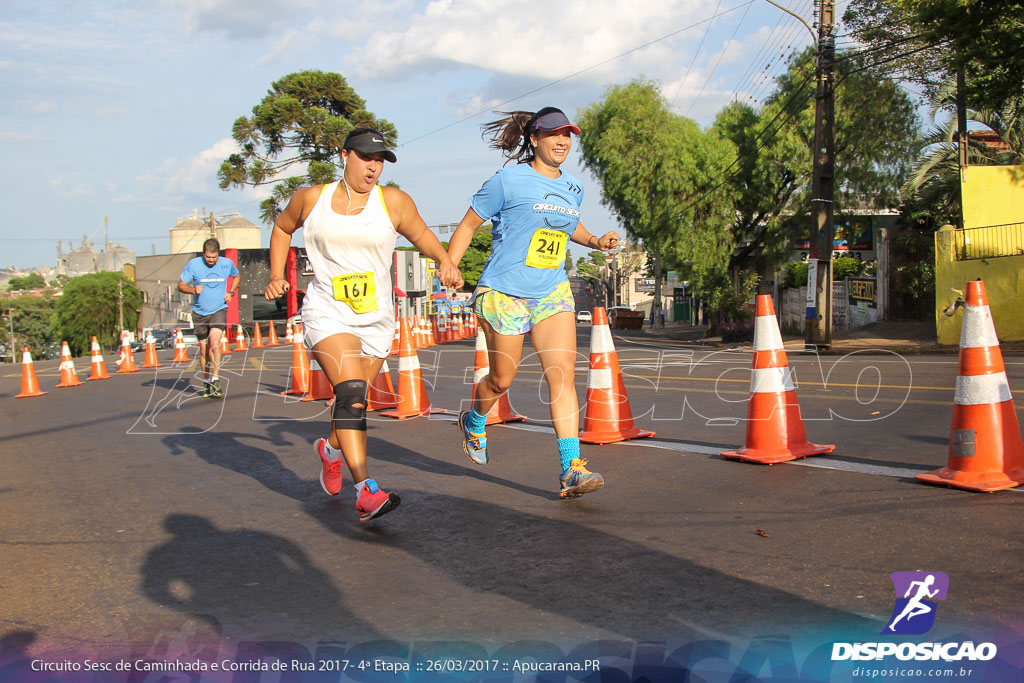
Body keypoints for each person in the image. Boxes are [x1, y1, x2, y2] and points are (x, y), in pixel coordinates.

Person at [265, 127, 463, 522]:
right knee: (352, 393)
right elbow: (283, 228)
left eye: (379, 161)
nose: (373, 167)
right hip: (327, 310)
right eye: (366, 158)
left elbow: (421, 233)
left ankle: (331, 451)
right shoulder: (311, 200)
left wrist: (445, 261)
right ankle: (366, 491)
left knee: (352, 402)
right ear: (344, 156)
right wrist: (276, 274)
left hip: (376, 318)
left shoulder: (393, 202)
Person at [442, 107, 619, 498]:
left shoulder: (574, 187)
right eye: (554, 134)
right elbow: (469, 224)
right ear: (534, 139)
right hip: (504, 292)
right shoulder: (508, 180)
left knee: (563, 376)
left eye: (568, 135)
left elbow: (570, 227)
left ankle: (571, 467)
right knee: (501, 380)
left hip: (551, 292)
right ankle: (474, 420)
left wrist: (595, 241)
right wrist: (450, 263)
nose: (562, 141)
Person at [178, 238, 239, 398]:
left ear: (218, 254)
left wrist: (231, 292)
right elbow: (181, 285)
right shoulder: (194, 265)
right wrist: (192, 290)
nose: (211, 261)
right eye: (208, 257)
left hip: (219, 309)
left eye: (214, 257)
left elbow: (237, 276)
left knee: (215, 343)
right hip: (200, 312)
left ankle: (216, 379)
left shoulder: (226, 263)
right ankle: (206, 381)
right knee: (204, 350)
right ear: (203, 254)